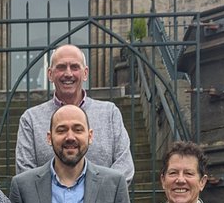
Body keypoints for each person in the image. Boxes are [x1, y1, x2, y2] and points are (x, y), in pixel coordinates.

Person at [15, 44, 134, 183]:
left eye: (75, 67)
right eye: (61, 67)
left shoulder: (110, 113)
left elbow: (125, 167)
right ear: (50, 74)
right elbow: (25, 174)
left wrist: (94, 198)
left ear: (85, 73)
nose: (68, 73)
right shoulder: (31, 119)